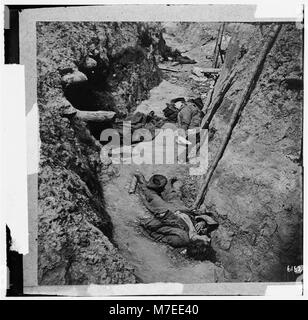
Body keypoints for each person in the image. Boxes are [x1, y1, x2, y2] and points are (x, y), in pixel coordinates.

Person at [134, 172, 218, 261]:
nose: (209, 240)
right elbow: (213, 220)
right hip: (181, 210)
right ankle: (165, 185)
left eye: (206, 242)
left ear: (198, 243)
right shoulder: (201, 231)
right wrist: (202, 221)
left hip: (167, 215)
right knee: (171, 192)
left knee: (154, 198)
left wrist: (148, 225)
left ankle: (142, 181)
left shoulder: (181, 239)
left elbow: (162, 237)